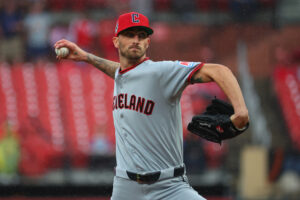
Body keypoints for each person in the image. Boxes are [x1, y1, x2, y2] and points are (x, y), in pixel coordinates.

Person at [54, 12, 249, 200]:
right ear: (115, 41)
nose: (136, 40)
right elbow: (120, 71)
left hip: (169, 187)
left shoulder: (161, 72)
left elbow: (219, 71)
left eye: (141, 35)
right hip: (125, 187)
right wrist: (87, 57)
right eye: (129, 34)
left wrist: (241, 112)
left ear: (148, 42)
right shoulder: (123, 74)